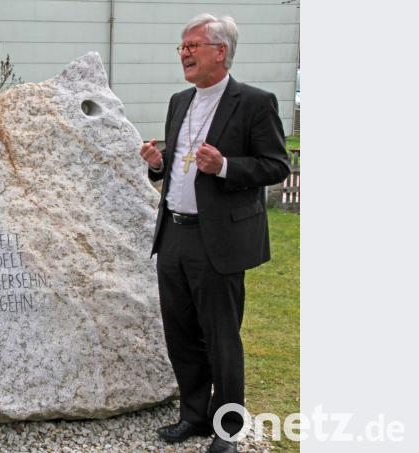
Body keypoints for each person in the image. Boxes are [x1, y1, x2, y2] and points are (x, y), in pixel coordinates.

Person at [139, 13, 290, 453]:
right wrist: (158, 165)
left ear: (220, 51)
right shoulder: (179, 101)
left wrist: (224, 166)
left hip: (217, 238)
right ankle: (193, 415)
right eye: (182, 47)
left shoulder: (255, 102)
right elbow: (180, 162)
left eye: (193, 46)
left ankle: (228, 427)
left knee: (221, 337)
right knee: (181, 332)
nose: (184, 53)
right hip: (173, 233)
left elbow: (276, 165)